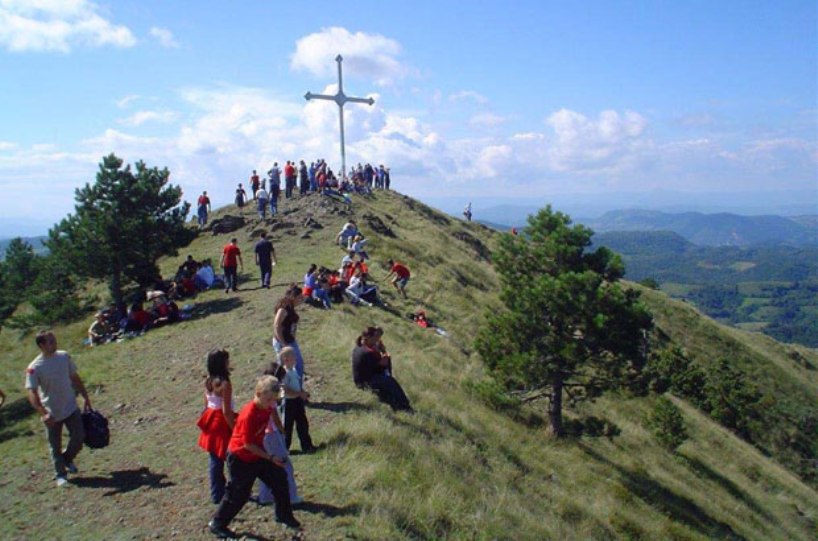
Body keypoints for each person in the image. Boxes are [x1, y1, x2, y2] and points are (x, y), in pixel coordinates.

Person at [208, 376, 300, 538]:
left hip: (257, 454)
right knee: (238, 494)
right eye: (269, 399)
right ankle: (217, 523)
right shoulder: (248, 414)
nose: (272, 403)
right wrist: (270, 457)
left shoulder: (267, 407)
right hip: (240, 458)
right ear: (258, 394)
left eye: (274, 400)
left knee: (279, 477)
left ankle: (283, 514)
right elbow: (248, 444)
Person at [25, 331, 92, 487]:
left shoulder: (64, 356)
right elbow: (32, 392)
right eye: (50, 341)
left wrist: (85, 396)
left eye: (54, 340)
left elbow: (74, 377)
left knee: (79, 437)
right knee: (55, 445)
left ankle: (67, 459)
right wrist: (43, 413)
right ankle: (60, 474)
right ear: (41, 345)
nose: (55, 343)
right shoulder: (34, 367)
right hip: (51, 412)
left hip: (70, 406)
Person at [255, 363, 302, 506]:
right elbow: (275, 416)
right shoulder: (271, 399)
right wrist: (283, 430)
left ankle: (265, 496)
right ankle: (291, 497)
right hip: (273, 434)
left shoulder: (260, 395)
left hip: (262, 435)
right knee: (285, 465)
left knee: (267, 466)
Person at [197, 349, 236, 505]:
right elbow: (226, 410)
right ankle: (235, 488)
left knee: (215, 458)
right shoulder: (225, 384)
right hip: (221, 422)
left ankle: (217, 492)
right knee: (232, 456)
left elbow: (207, 403)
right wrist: (234, 428)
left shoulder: (208, 381)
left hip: (210, 418)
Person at [351, 327, 412, 411]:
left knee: (388, 380)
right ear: (369, 337)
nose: (377, 339)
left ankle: (399, 404)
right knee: (390, 381)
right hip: (365, 382)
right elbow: (378, 369)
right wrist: (384, 355)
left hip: (360, 379)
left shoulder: (359, 347)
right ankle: (404, 406)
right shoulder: (368, 352)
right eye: (375, 337)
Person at [279, 347, 315, 453]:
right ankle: (284, 449)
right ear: (286, 359)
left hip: (297, 401)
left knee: (302, 423)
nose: (296, 358)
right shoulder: (284, 373)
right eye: (293, 356)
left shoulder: (293, 370)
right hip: (288, 403)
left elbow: (297, 385)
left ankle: (307, 446)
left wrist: (302, 392)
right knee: (287, 427)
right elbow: (285, 389)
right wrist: (299, 393)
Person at [273, 285, 305, 382]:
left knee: (296, 364)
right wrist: (283, 344)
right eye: (299, 297)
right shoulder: (284, 308)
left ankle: (295, 386)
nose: (301, 299)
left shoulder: (290, 306)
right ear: (293, 297)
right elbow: (276, 326)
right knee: (287, 366)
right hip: (283, 342)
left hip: (289, 340)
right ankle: (287, 387)